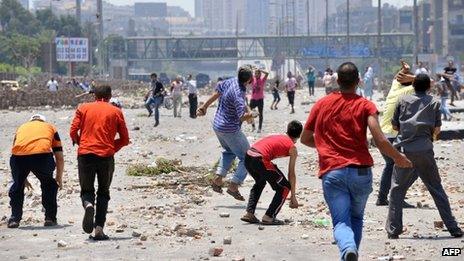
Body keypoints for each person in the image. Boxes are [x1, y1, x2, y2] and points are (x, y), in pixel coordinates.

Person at [300, 62, 412, 261]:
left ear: (337, 81)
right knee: (357, 218)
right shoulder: (366, 105)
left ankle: (348, 248)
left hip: (332, 172)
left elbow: (305, 138)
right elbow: (379, 139)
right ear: (359, 81)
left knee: (341, 222)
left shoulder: (322, 104)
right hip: (360, 172)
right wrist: (398, 158)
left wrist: (327, 147)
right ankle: (351, 253)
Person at [386, 73, 463, 239]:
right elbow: (437, 130)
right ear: (429, 86)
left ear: (413, 86)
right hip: (425, 151)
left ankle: (393, 230)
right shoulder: (434, 102)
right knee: (436, 189)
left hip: (404, 152)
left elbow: (394, 125)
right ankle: (453, 228)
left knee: (397, 190)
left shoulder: (402, 100)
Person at [70, 85, 130, 240]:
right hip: (106, 157)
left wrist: (81, 143)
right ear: (110, 96)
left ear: (94, 96)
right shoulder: (116, 111)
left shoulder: (83, 108)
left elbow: (72, 131)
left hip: (85, 155)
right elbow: (125, 139)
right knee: (103, 192)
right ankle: (98, 229)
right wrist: (110, 147)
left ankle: (88, 204)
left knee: (86, 190)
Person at [197, 65, 255, 201]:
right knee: (248, 157)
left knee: (229, 151)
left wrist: (204, 106)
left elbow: (217, 93)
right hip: (230, 129)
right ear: (248, 81)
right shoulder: (239, 94)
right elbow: (241, 116)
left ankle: (218, 180)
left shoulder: (231, 81)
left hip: (217, 125)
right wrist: (252, 115)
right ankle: (234, 185)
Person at [7, 114, 64, 228]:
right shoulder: (50, 127)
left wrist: (22, 178)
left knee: (17, 186)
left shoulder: (21, 127)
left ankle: (14, 219)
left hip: (18, 158)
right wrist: (58, 178)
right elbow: (59, 156)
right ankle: (50, 218)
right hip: (41, 157)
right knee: (49, 185)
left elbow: (16, 149)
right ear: (43, 121)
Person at [241, 120, 302, 225]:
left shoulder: (279, 136)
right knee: (285, 187)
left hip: (248, 156)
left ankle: (249, 213)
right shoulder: (292, 148)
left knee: (260, 182)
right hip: (260, 159)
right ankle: (269, 216)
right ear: (299, 136)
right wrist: (293, 196)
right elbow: (291, 173)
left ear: (287, 130)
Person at [377, 61, 416, 208]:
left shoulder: (395, 88)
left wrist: (404, 70)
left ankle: (382, 198)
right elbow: (428, 81)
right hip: (393, 136)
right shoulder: (408, 91)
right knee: (412, 167)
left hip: (381, 135)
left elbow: (397, 78)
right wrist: (411, 76)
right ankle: (397, 197)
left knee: (390, 165)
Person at [250, 68, 269, 133]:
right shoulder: (253, 80)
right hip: (253, 99)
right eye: (255, 73)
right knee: (250, 113)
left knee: (260, 114)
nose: (256, 74)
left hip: (260, 99)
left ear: (260, 74)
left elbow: (267, 73)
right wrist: (252, 69)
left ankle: (259, 128)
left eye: (257, 73)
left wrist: (260, 70)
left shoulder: (262, 80)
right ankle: (253, 126)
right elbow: (249, 73)